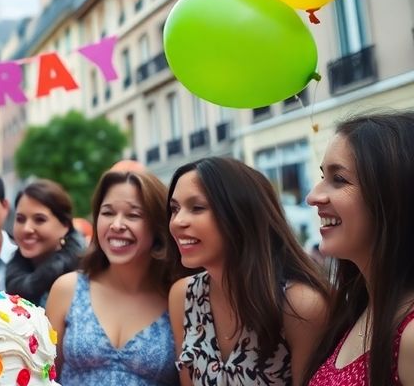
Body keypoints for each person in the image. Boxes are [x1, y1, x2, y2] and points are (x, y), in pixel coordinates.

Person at [167, 157, 329, 385]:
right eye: (174, 209)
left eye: (197, 208)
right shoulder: (183, 296)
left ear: (240, 214)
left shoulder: (300, 305)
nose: (177, 221)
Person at [304, 111, 414, 385]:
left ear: (393, 194)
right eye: (322, 176)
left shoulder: (410, 335)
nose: (313, 196)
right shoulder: (355, 307)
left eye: (338, 179)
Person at [46, 170, 185, 385]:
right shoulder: (67, 289)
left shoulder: (178, 298)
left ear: (158, 226)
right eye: (108, 213)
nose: (117, 225)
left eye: (133, 215)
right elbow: (43, 377)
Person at [6, 179, 82, 305]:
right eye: (20, 219)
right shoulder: (6, 272)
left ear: (65, 225)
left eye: (39, 220)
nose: (27, 229)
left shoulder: (82, 278)